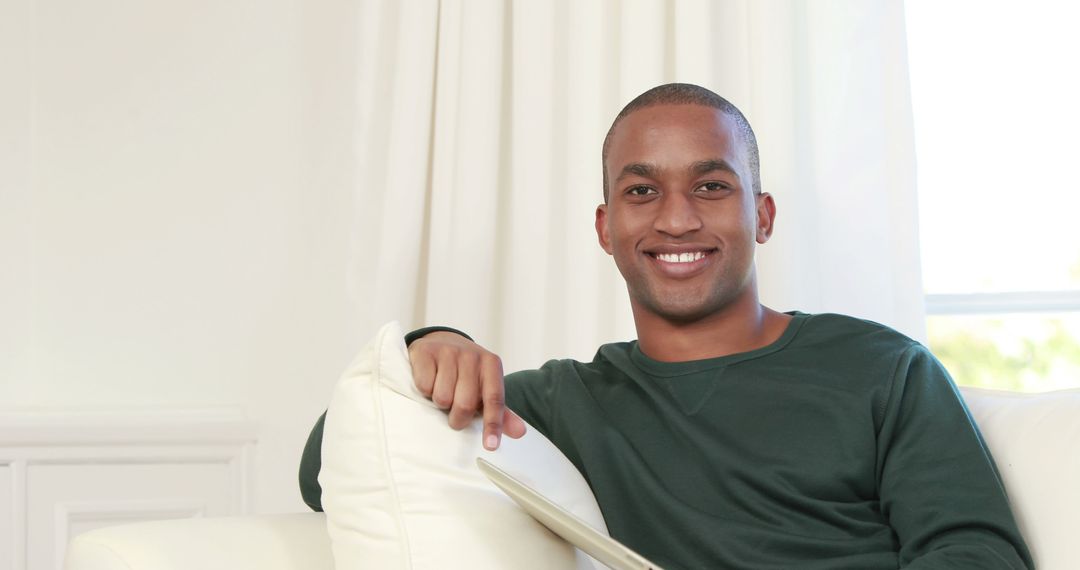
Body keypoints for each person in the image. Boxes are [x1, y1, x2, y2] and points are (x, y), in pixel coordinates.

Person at [300, 83, 1033, 569]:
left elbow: (976, 551)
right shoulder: (564, 404)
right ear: (605, 226)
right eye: (642, 191)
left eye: (712, 187)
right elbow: (327, 465)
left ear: (762, 215)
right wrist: (431, 343)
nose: (677, 217)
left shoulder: (883, 368)